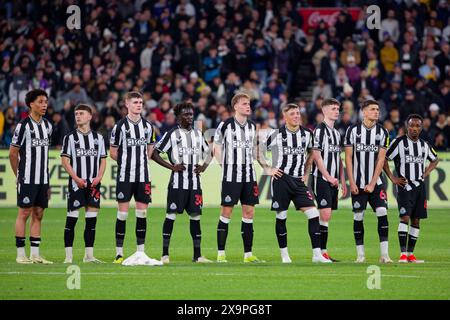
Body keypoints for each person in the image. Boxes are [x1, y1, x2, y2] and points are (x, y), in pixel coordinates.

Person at [261, 103, 332, 263]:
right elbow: (257, 150)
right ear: (285, 117)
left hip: (299, 181)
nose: (296, 116)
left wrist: (306, 173)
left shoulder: (307, 134)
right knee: (282, 216)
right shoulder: (277, 134)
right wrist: (268, 168)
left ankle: (316, 255)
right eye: (292, 114)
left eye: (298, 113)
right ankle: (285, 255)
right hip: (282, 179)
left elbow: (312, 154)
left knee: (313, 214)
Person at [152, 101, 212, 263]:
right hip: (177, 184)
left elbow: (210, 151)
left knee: (195, 218)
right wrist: (171, 166)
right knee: (170, 216)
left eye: (191, 114)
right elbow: (154, 153)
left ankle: (197, 256)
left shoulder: (198, 134)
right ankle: (165, 255)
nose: (190, 117)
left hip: (195, 185)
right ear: (178, 117)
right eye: (186, 114)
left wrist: (204, 167)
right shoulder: (172, 134)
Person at [109, 91, 161, 265]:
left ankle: (140, 252)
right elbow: (113, 153)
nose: (139, 105)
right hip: (125, 176)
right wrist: (127, 162)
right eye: (135, 102)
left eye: (140, 102)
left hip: (143, 176)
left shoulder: (148, 126)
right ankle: (119, 253)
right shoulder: (119, 127)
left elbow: (150, 150)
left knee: (142, 213)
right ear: (127, 104)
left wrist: (140, 162)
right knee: (122, 214)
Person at [213, 92, 262, 263]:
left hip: (249, 176)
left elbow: (256, 150)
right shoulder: (225, 125)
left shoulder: (252, 126)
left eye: (249, 103)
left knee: (249, 212)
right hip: (231, 176)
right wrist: (224, 165)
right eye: (244, 104)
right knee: (227, 212)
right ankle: (221, 253)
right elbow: (216, 147)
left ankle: (248, 255)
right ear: (235, 106)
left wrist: (267, 167)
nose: (248, 106)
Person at [384, 114, 439, 263]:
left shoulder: (424, 145)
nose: (414, 128)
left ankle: (410, 254)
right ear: (406, 127)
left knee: (416, 220)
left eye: (417, 126)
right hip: (404, 186)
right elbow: (383, 158)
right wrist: (393, 178)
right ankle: (402, 255)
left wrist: (426, 172)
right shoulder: (398, 143)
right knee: (405, 217)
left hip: (419, 187)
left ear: (421, 128)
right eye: (411, 126)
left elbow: (435, 159)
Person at [344, 99, 392, 263]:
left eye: (377, 109)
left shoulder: (383, 132)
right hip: (357, 183)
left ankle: (384, 255)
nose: (376, 112)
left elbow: (381, 160)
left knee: (382, 213)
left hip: (376, 184)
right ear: (364, 112)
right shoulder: (352, 130)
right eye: (372, 109)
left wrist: (372, 183)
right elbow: (348, 158)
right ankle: (360, 256)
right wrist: (352, 182)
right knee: (358, 216)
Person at [9, 89, 53, 264]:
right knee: (24, 213)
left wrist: (47, 180)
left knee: (39, 213)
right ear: (31, 104)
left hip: (43, 178)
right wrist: (19, 175)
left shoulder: (48, 126)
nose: (44, 105)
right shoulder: (23, 126)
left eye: (45, 102)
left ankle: (35, 254)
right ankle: (21, 254)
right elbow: (13, 153)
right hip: (27, 177)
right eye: (41, 102)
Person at [61, 104, 107, 263]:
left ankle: (89, 256)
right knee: (71, 219)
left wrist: (99, 177)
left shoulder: (98, 138)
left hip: (94, 184)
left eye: (81, 113)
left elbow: (103, 160)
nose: (78, 116)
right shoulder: (70, 138)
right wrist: (76, 178)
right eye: (76, 114)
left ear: (89, 116)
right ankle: (68, 257)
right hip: (76, 184)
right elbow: (65, 161)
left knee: (91, 220)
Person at [311, 98, 347, 262]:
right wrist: (328, 177)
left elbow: (338, 158)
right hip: (321, 179)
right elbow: (317, 157)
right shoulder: (319, 131)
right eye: (333, 108)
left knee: (327, 217)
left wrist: (342, 179)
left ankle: (323, 252)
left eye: (337, 108)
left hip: (333, 180)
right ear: (324, 111)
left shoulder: (336, 133)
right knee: (324, 214)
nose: (337, 111)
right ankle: (317, 253)